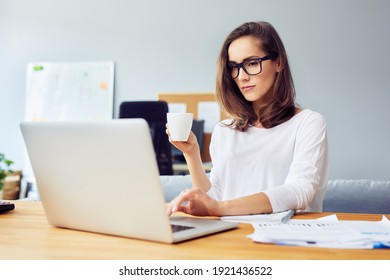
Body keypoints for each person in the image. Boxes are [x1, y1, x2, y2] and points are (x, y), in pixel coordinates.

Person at [166, 21, 328, 217]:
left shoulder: (308, 123)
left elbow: (299, 191)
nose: (241, 76)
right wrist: (192, 153)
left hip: (285, 239)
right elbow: (215, 196)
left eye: (252, 63)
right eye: (234, 67)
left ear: (279, 62)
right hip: (231, 236)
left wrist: (220, 208)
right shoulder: (225, 129)